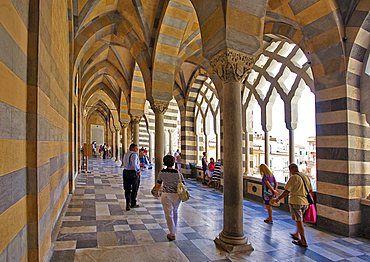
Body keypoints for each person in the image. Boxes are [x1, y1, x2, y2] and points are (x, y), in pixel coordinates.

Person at [273, 163, 312, 247]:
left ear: (291, 169)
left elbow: (287, 191)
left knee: (299, 220)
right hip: (305, 202)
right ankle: (297, 234)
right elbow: (310, 189)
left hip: (296, 202)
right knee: (300, 220)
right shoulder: (305, 176)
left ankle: (303, 240)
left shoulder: (294, 177)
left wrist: (278, 199)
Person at [154, 155, 184, 241]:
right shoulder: (178, 172)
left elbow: (158, 184)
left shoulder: (162, 172)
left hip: (166, 195)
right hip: (177, 195)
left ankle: (172, 233)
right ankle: (174, 229)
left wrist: (156, 192)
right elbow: (183, 184)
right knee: (175, 211)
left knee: (168, 214)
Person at [122, 143, 141, 211]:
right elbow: (134, 165)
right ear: (132, 148)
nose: (137, 149)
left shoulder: (126, 154)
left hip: (125, 172)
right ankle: (133, 203)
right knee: (134, 188)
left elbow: (124, 162)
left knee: (127, 189)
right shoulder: (134, 155)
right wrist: (138, 171)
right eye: (136, 148)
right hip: (132, 173)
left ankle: (127, 204)